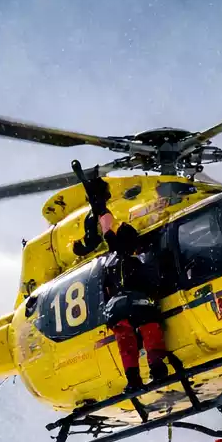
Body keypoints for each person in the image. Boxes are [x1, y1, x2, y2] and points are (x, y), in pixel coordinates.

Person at [71, 162, 173, 391]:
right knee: (151, 330)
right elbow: (154, 282)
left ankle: (133, 379)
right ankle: (157, 370)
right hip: (137, 302)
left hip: (116, 308)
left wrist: (98, 203)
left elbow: (107, 227)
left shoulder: (113, 255)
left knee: (125, 343)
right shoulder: (140, 258)